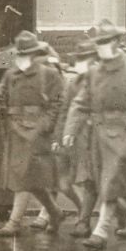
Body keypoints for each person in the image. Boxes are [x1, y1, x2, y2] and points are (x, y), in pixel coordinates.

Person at [61, 21, 126, 250]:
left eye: (106, 42)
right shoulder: (94, 73)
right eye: (99, 43)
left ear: (117, 42)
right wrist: (70, 131)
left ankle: (101, 231)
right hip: (100, 136)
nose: (102, 47)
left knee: (111, 180)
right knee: (117, 183)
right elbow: (80, 103)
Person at [0, 31, 65, 237]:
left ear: (35, 54)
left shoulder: (48, 74)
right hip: (16, 132)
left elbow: (57, 104)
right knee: (25, 179)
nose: (23, 59)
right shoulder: (11, 75)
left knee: (26, 179)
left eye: (27, 54)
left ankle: (14, 222)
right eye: (21, 54)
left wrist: (45, 126)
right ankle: (54, 212)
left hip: (37, 133)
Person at [51, 38, 95, 236]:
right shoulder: (74, 82)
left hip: (94, 138)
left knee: (92, 182)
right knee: (64, 183)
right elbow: (65, 111)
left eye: (84, 58)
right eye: (79, 59)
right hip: (73, 139)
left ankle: (84, 222)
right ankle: (83, 214)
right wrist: (58, 137)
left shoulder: (100, 79)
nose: (80, 63)